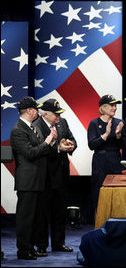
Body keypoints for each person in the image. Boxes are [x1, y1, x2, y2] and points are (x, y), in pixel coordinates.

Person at [10, 97, 57, 260]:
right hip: (28, 182)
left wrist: (51, 144)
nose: (38, 111)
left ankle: (30, 247)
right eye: (36, 109)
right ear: (29, 111)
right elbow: (30, 153)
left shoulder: (30, 128)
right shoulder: (18, 130)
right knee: (26, 218)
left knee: (36, 218)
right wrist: (47, 142)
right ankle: (23, 250)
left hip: (38, 181)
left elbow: (40, 150)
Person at [33, 99, 76, 255]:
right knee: (43, 212)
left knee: (60, 211)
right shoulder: (37, 126)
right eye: (55, 114)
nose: (58, 116)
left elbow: (72, 138)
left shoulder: (62, 122)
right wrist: (58, 148)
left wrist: (70, 144)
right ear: (45, 114)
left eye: (59, 114)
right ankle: (42, 245)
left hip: (62, 174)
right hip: (45, 175)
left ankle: (59, 243)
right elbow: (39, 150)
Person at [87, 95, 125, 214]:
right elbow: (91, 145)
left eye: (115, 105)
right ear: (103, 108)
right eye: (112, 105)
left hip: (115, 160)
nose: (115, 108)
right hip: (100, 162)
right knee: (99, 192)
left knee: (117, 192)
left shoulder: (119, 122)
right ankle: (99, 222)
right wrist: (105, 135)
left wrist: (118, 135)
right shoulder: (94, 123)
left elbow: (124, 144)